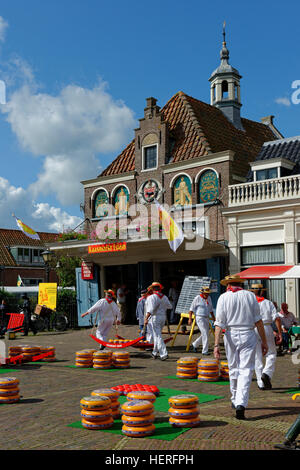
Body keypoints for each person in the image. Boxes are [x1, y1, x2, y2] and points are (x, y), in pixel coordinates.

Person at [213, 275, 268, 420]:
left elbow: (219, 323)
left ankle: (234, 398)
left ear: (228, 285)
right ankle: (240, 403)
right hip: (248, 333)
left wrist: (216, 345)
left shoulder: (223, 298)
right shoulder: (250, 296)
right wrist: (264, 341)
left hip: (230, 334)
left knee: (233, 367)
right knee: (246, 369)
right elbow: (258, 321)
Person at [250, 284, 282, 390]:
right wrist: (279, 333)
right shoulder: (268, 303)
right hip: (266, 327)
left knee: (257, 356)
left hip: (253, 329)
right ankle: (266, 373)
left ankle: (260, 383)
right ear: (262, 292)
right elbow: (277, 318)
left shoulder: (249, 303)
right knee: (271, 353)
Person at [144, 282, 172, 361]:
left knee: (158, 336)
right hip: (163, 317)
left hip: (155, 317)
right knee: (157, 335)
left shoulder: (151, 297)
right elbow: (170, 306)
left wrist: (146, 318)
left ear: (153, 289)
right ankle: (154, 352)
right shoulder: (165, 297)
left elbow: (150, 310)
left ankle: (164, 354)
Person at [188, 287, 215, 355]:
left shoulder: (209, 298)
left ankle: (195, 344)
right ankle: (205, 351)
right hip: (199, 318)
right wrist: (190, 319)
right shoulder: (197, 298)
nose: (207, 295)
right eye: (205, 294)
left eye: (208, 294)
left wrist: (214, 318)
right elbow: (191, 309)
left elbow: (211, 310)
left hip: (206, 317)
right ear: (202, 293)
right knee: (205, 333)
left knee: (205, 333)